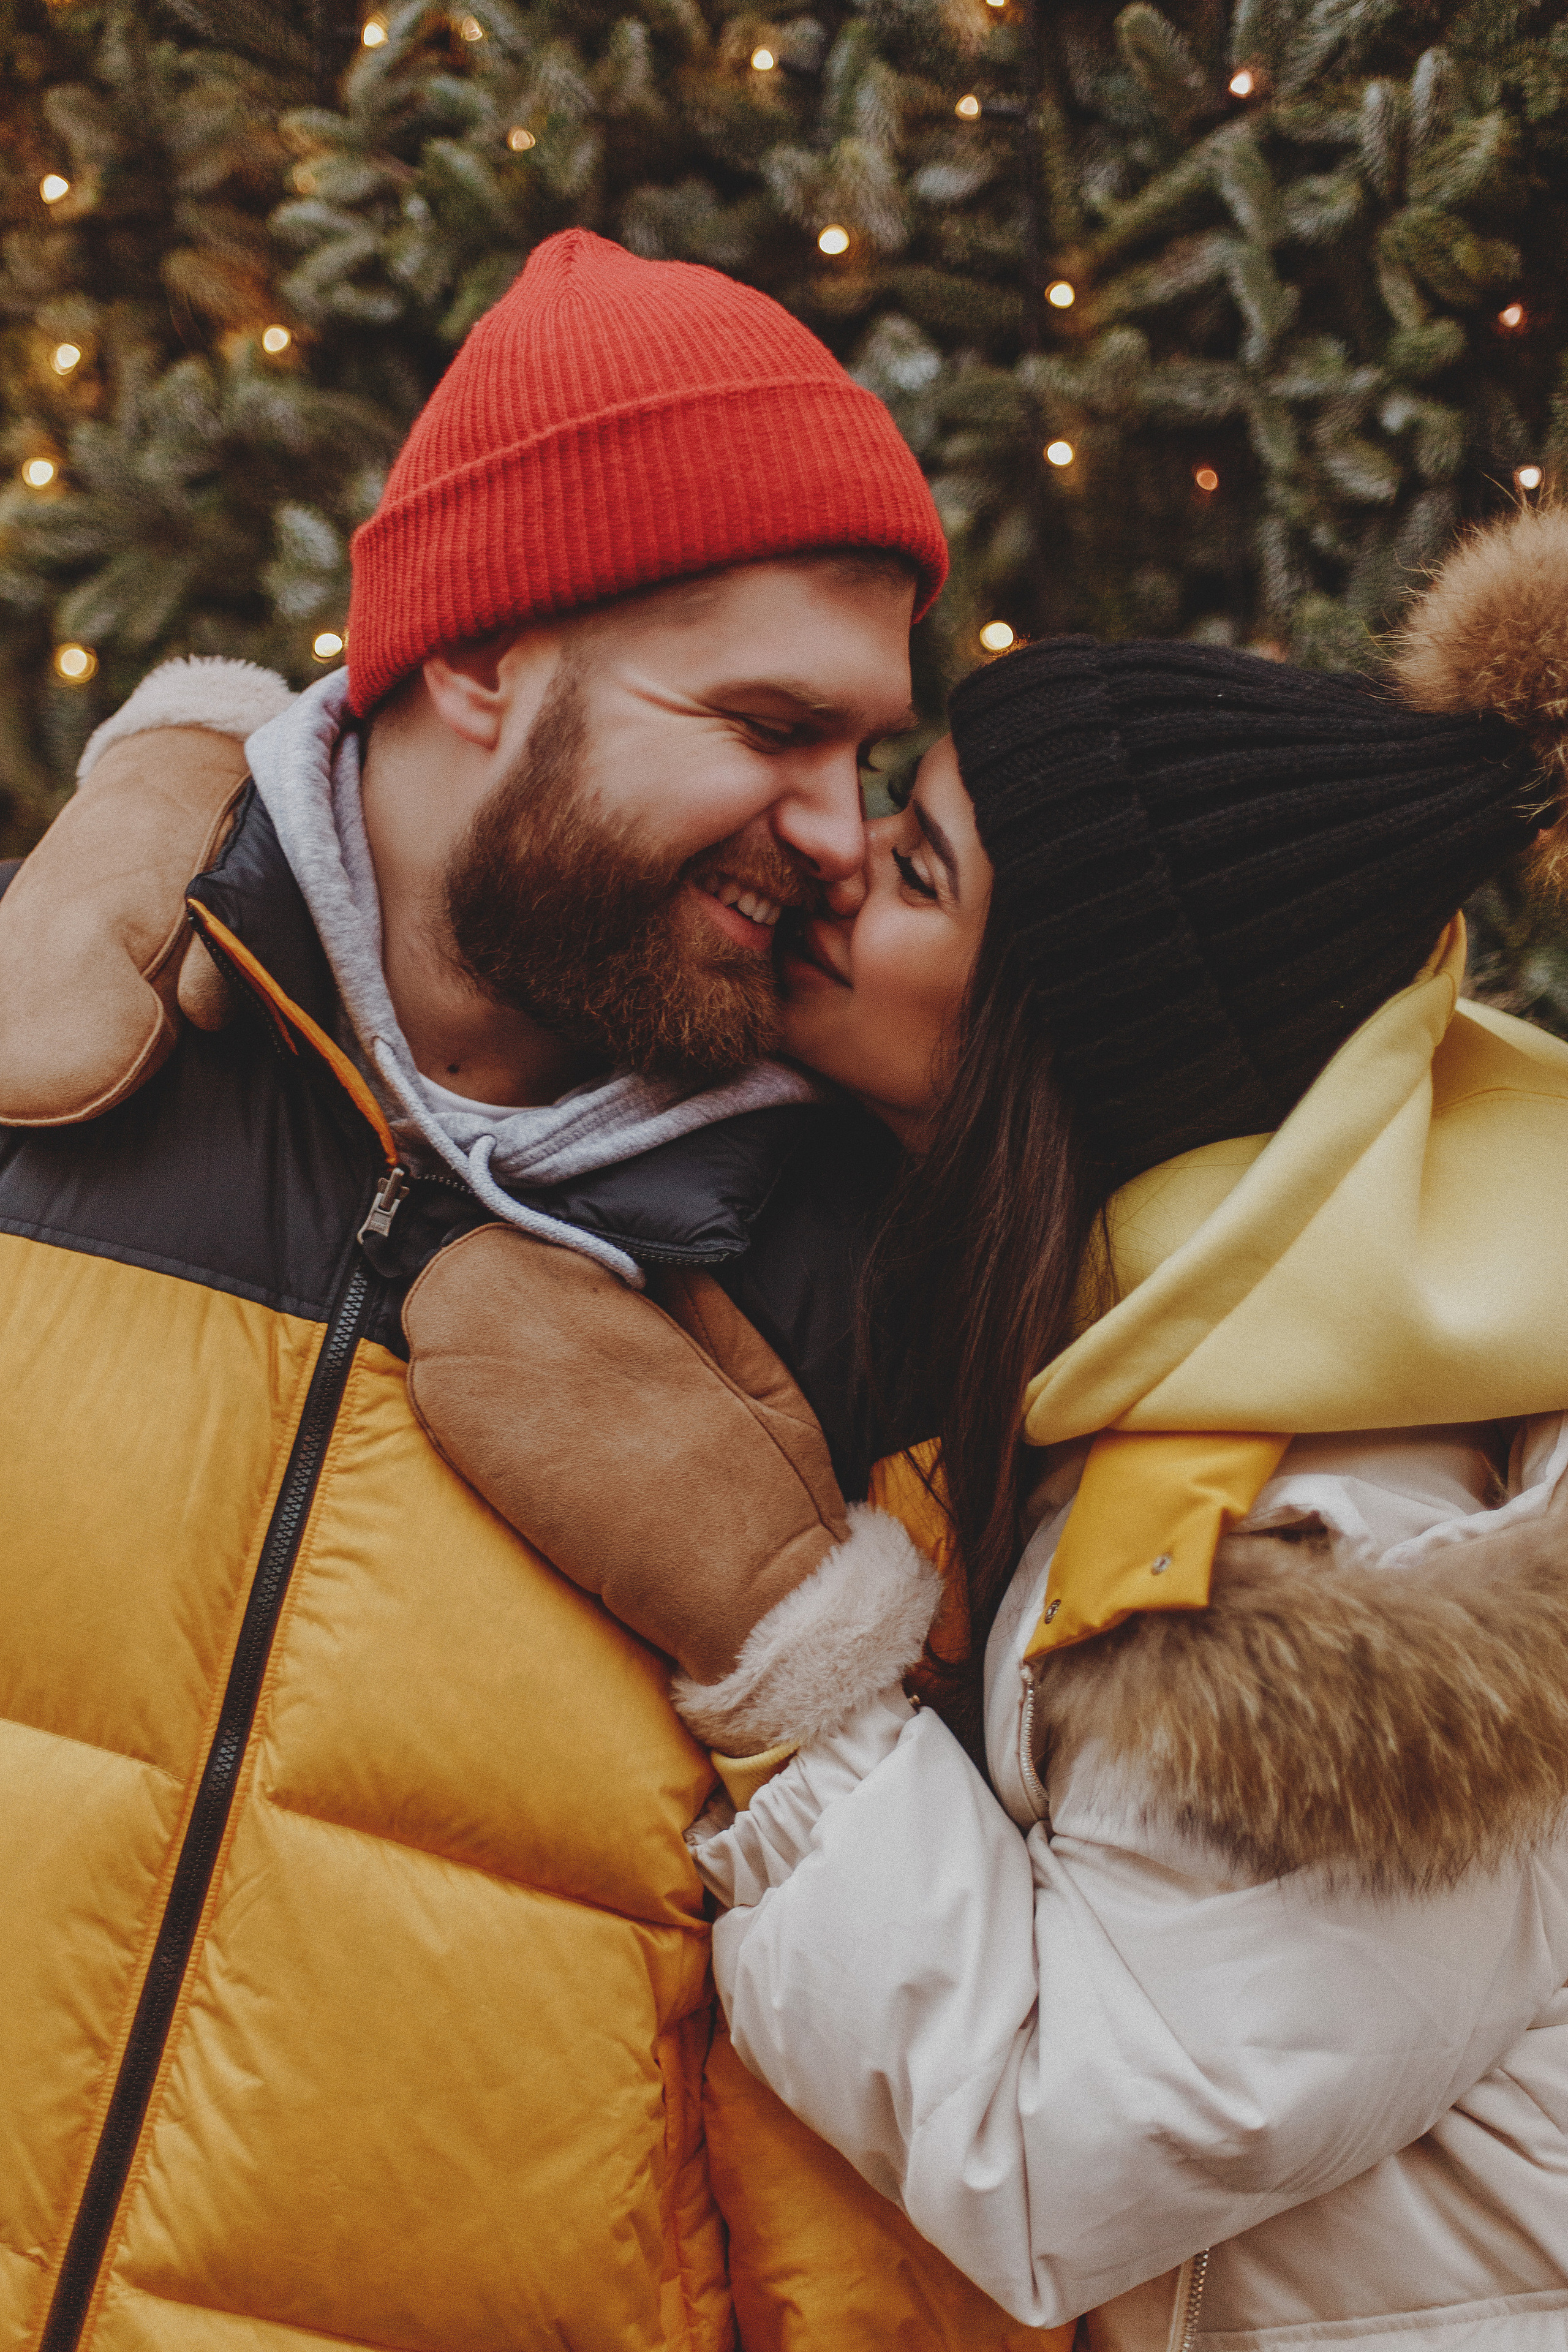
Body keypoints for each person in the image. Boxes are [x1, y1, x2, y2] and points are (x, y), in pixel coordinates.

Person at [0, 228, 1067, 2352]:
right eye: (771, 726)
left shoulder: (862, 1296)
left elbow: (896, 2189)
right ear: (481, 657)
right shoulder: (51, 1075)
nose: (844, 841)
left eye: (866, 755)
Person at [589, 505, 1568, 2349]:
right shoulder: (1196, 1395)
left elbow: (1068, 2145)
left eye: (918, 872)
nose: (829, 865)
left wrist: (793, 1679)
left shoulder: (1326, 1561)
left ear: (1067, 1052)